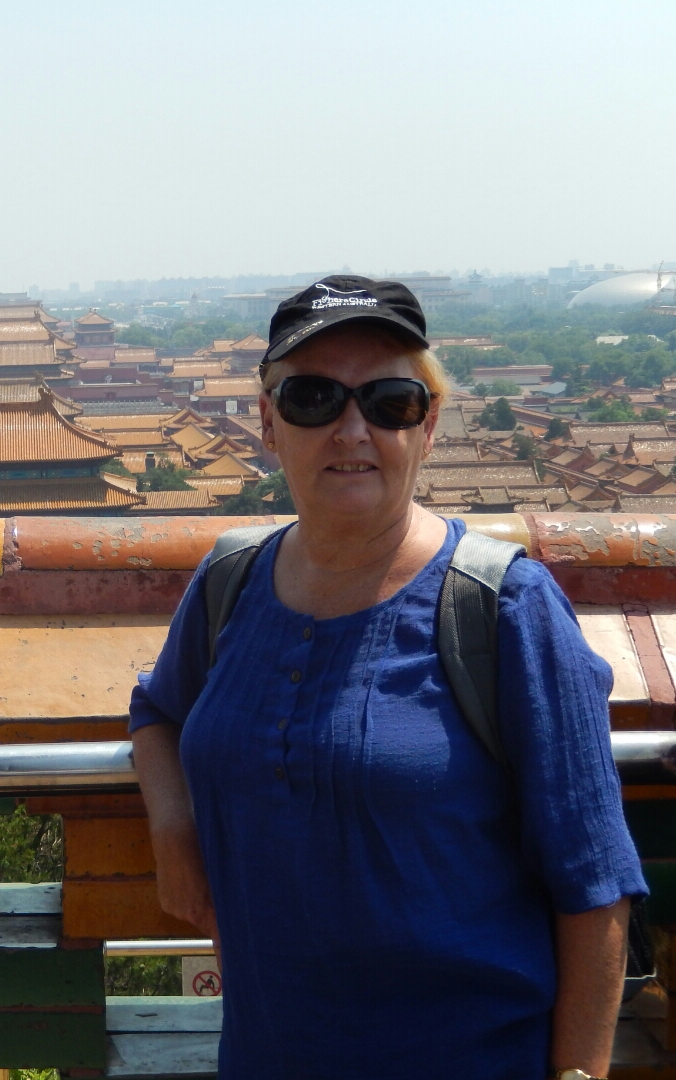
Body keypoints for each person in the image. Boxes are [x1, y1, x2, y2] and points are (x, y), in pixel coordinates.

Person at [129, 275, 645, 1080]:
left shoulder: (504, 606)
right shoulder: (229, 583)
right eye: (312, 398)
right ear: (267, 422)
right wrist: (173, 827)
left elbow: (595, 881)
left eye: (389, 402)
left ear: (428, 424)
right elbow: (156, 711)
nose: (352, 430)